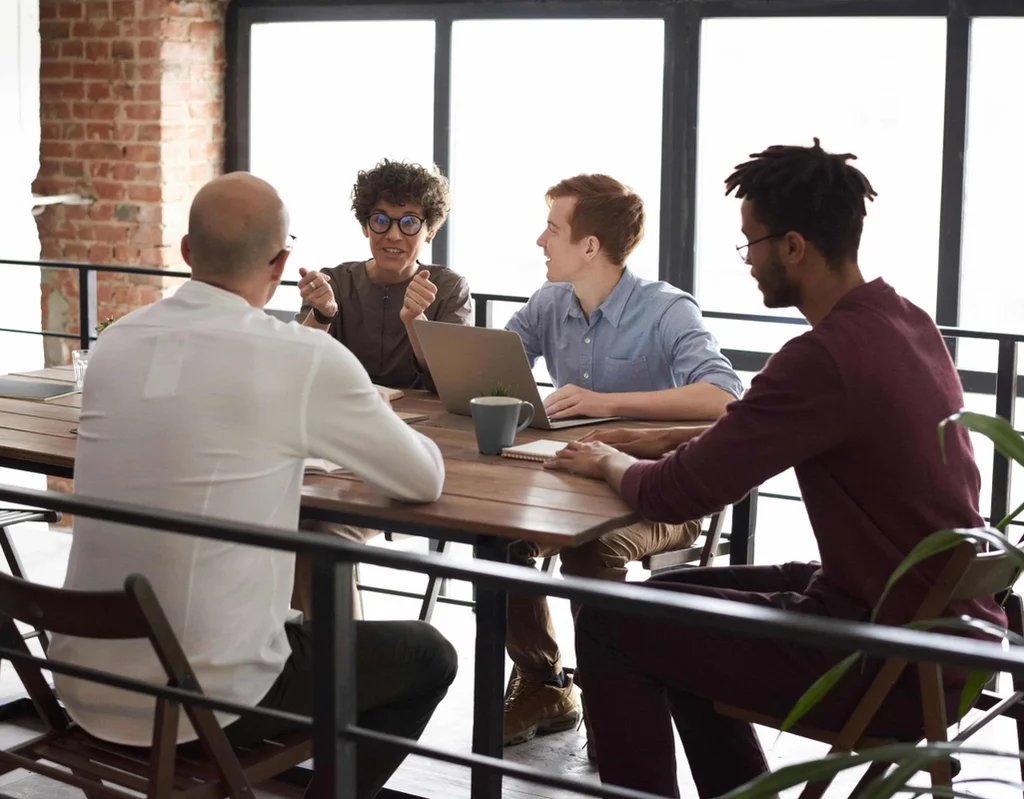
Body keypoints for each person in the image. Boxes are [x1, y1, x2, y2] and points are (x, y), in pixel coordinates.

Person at [545, 140, 1008, 798]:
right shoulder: (903, 319)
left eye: (751, 244)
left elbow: (679, 493)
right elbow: (752, 430)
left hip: (891, 658)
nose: (749, 262)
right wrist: (643, 436)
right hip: (940, 628)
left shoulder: (823, 357)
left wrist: (607, 458)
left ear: (793, 246)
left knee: (611, 621)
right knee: (667, 604)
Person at [48, 172, 458, 799]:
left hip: (78, 683)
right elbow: (422, 478)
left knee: (285, 601)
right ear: (282, 262)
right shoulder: (300, 356)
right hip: (206, 700)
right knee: (428, 654)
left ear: (187, 253)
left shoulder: (118, 342)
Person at [500, 174, 743, 749]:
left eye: (553, 230)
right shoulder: (548, 303)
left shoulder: (666, 310)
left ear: (589, 246)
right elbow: (494, 368)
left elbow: (724, 397)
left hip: (660, 496)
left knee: (593, 548)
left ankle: (618, 701)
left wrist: (608, 403)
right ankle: (545, 684)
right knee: (501, 538)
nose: (541, 240)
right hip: (573, 484)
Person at [291, 159, 473, 618]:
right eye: (381, 221)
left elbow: (450, 385)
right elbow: (299, 366)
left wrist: (417, 322)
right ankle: (305, 651)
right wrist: (325, 315)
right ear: (365, 225)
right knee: (292, 517)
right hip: (338, 442)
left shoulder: (448, 288)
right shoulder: (338, 280)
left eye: (409, 222)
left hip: (418, 446)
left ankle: (334, 660)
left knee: (317, 532)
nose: (394, 235)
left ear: (429, 230)